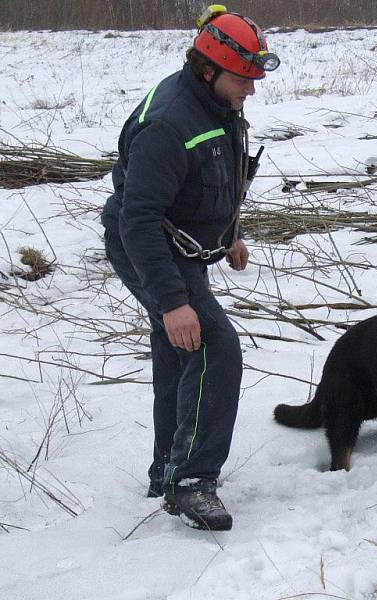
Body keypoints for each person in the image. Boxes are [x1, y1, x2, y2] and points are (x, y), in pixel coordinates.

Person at [101, 5, 279, 531]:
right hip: (146, 246)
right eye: (242, 79)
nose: (250, 90)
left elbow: (219, 171)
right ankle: (191, 481)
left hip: (184, 247)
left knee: (180, 354)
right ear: (208, 69)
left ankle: (167, 470)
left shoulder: (214, 102)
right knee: (211, 345)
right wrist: (174, 301)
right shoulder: (168, 123)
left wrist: (229, 234)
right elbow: (138, 220)